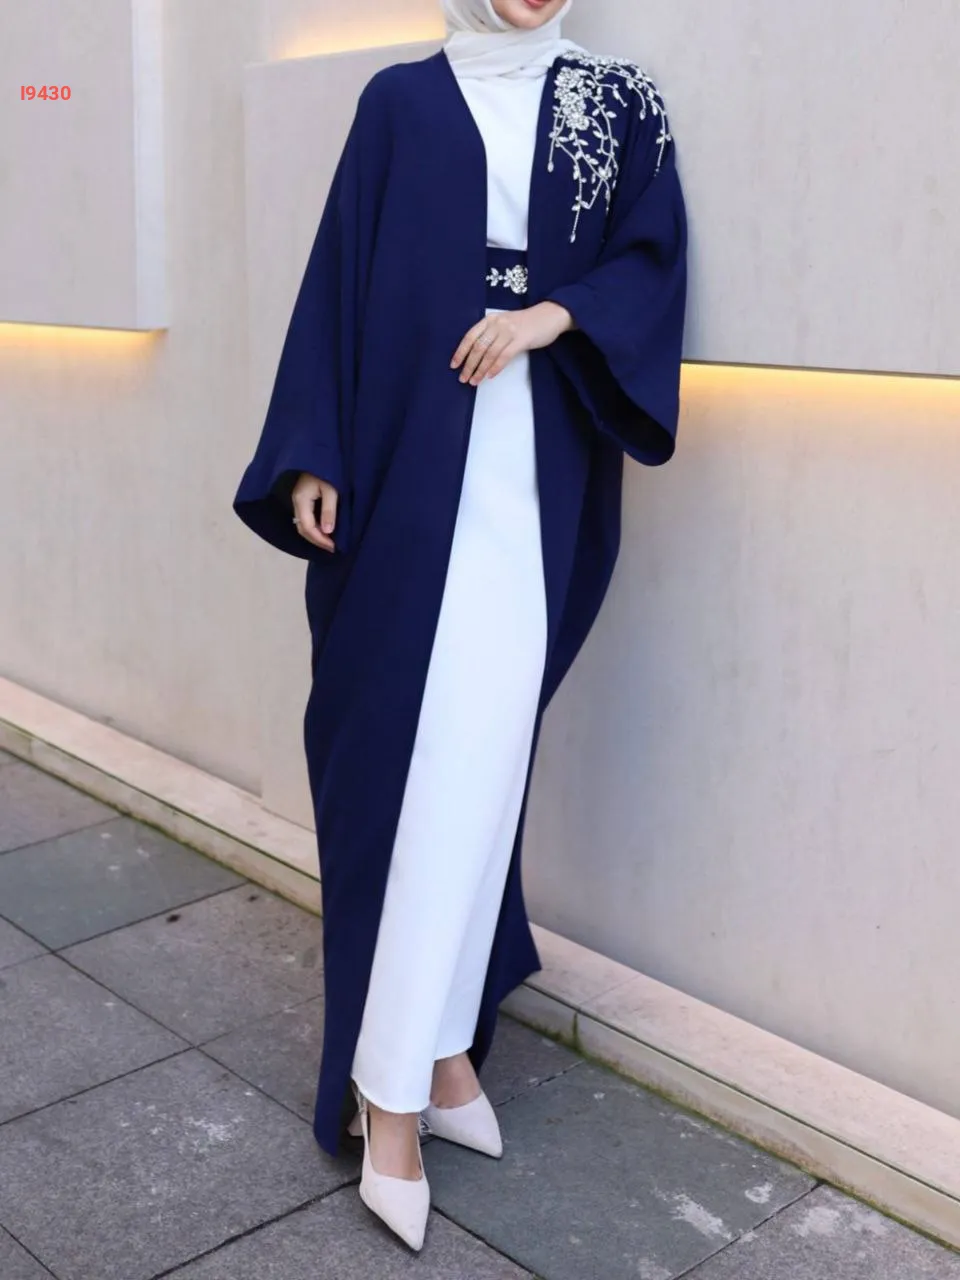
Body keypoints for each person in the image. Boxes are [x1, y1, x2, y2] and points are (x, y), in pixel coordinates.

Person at [233, 0, 687, 1252]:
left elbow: (650, 260)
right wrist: (313, 451)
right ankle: (391, 1088)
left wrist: (550, 317)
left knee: (482, 765)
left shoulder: (617, 101)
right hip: (406, 458)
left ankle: (438, 1049)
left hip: (533, 473)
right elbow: (336, 286)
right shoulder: (398, 104)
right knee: (411, 766)